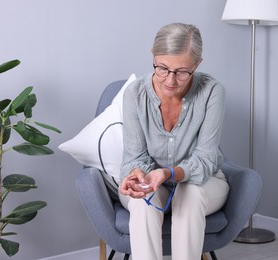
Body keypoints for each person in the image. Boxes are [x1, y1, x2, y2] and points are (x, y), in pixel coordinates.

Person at [119, 22, 229, 260]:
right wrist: (138, 176)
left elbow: (206, 159)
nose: (170, 80)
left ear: (197, 64)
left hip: (204, 182)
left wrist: (169, 173)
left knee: (188, 195)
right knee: (142, 202)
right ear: (153, 56)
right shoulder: (134, 94)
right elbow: (134, 157)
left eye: (181, 71)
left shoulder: (212, 91)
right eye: (162, 68)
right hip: (152, 181)